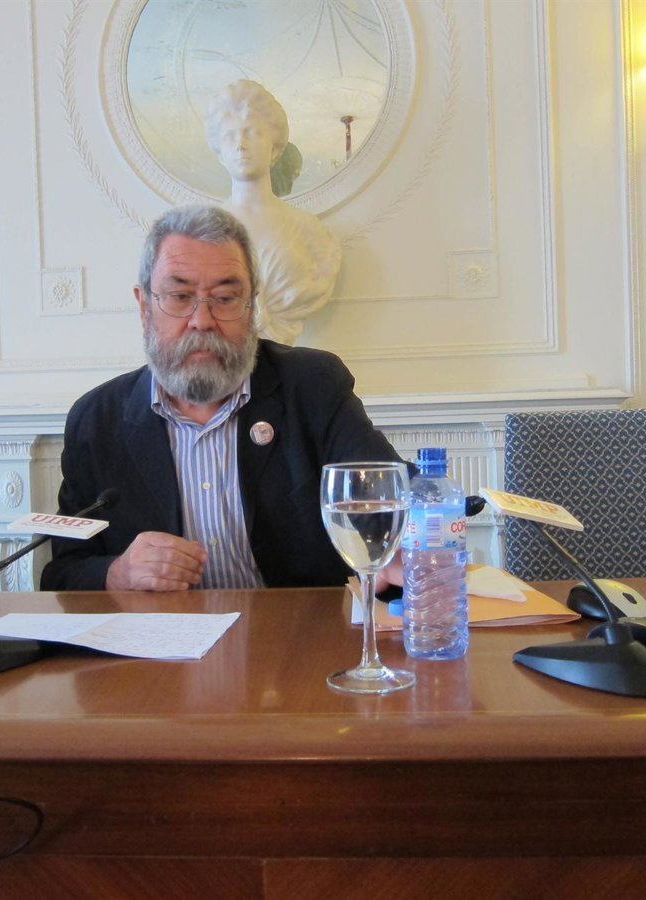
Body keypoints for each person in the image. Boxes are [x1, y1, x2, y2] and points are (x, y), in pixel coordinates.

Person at [39, 205, 402, 592]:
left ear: (251, 307)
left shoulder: (312, 386)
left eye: (225, 298)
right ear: (144, 307)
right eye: (180, 296)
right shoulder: (96, 421)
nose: (202, 321)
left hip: (298, 625)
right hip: (164, 630)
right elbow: (61, 574)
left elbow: (389, 494)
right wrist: (118, 573)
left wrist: (404, 546)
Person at [204, 80, 342, 346]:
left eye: (253, 133)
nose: (241, 145)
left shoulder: (311, 233)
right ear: (220, 153)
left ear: (275, 148)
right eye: (230, 136)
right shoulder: (204, 232)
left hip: (283, 358)